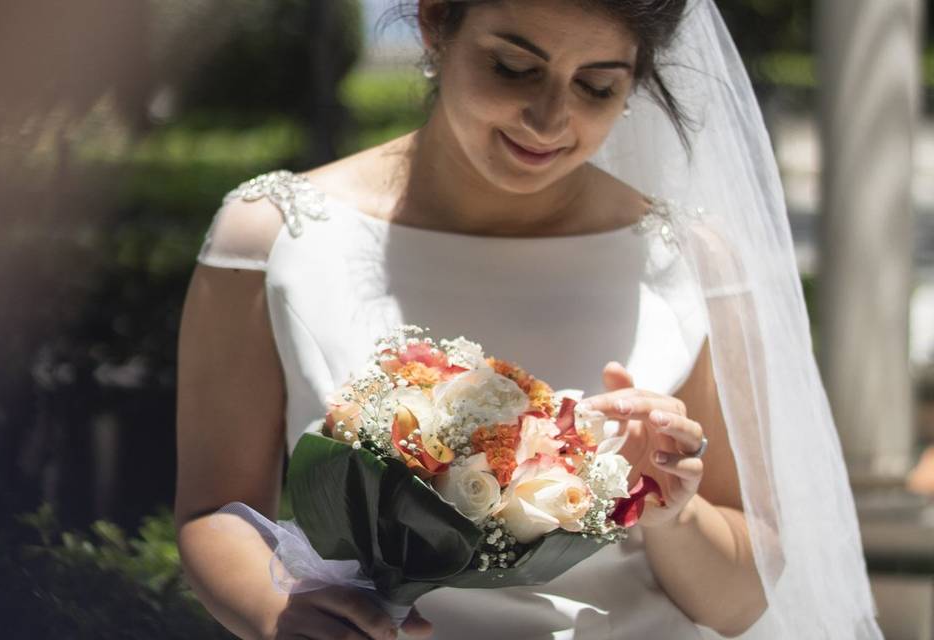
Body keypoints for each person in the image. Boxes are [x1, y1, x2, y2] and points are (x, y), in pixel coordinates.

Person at [175, 0, 881, 638]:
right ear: (435, 24)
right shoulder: (273, 236)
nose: (549, 119)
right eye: (514, 68)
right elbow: (214, 512)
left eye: (598, 85)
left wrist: (674, 512)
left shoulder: (691, 264)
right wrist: (280, 613)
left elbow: (737, 604)